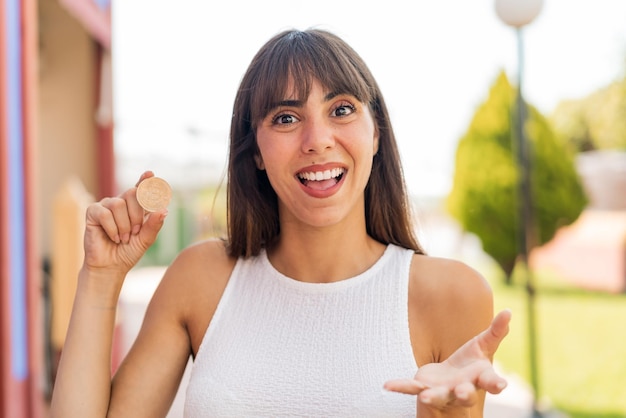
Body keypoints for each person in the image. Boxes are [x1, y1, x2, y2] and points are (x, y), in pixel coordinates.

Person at [50, 28, 511, 418]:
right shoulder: (201, 279)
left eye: (342, 109)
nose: (317, 140)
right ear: (255, 154)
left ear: (376, 134)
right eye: (286, 118)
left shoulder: (452, 296)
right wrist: (100, 278)